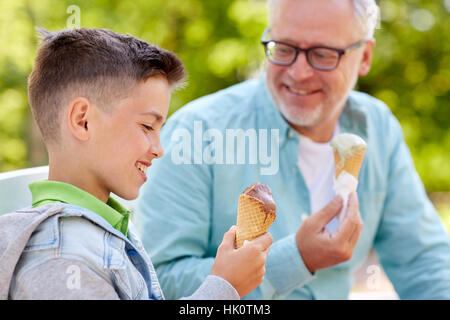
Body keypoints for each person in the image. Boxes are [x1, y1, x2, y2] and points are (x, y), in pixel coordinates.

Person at [135, 0, 450, 300]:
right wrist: (296, 258)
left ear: (365, 56)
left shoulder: (378, 128)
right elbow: (158, 281)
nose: (299, 73)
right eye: (284, 49)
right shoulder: (197, 132)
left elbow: (423, 263)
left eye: (323, 54)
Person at [0, 28, 273, 300]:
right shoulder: (60, 260)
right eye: (146, 126)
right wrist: (224, 287)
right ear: (83, 120)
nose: (159, 149)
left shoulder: (107, 227)